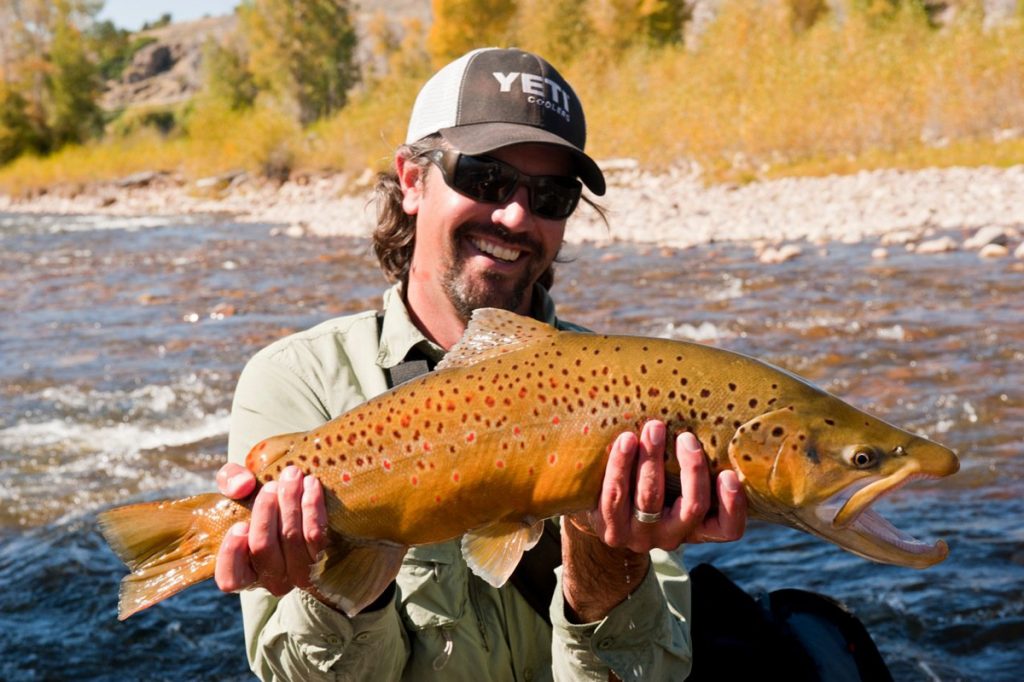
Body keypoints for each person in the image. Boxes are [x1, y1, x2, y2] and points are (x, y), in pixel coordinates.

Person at [213, 47, 747, 681]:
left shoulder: (631, 391)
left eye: (551, 195)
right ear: (412, 180)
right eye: (485, 179)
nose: (516, 214)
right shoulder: (298, 382)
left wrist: (608, 562)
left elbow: (649, 675)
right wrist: (339, 583)